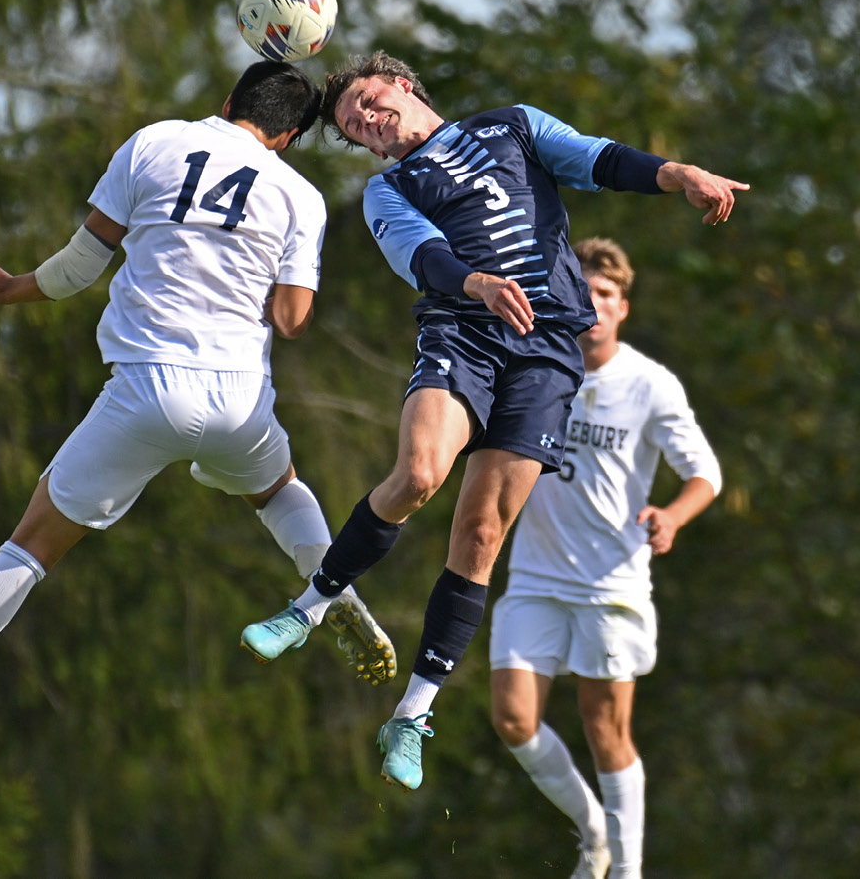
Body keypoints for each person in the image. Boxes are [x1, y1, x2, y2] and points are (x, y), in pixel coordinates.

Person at [0, 61, 396, 747]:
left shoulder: (154, 142)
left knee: (32, 544)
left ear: (227, 101)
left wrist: (11, 288)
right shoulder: (299, 196)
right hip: (239, 399)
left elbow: (79, 265)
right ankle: (335, 587)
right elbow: (291, 318)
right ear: (286, 138)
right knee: (277, 489)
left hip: (147, 388)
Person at [238, 51, 747, 793]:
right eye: (354, 127)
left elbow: (600, 159)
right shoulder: (390, 191)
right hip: (462, 333)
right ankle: (308, 608)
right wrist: (475, 283)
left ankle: (410, 715)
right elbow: (428, 258)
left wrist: (680, 175)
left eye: (372, 104)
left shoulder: (513, 127)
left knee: (479, 536)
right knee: (418, 475)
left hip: (546, 354)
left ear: (403, 87)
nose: (368, 124)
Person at [488, 237, 720, 879]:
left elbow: (705, 474)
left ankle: (628, 870)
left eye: (607, 295)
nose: (594, 304)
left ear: (622, 308)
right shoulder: (532, 367)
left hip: (611, 584)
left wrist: (672, 515)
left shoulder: (650, 385)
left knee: (603, 728)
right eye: (583, 291)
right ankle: (593, 830)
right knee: (512, 717)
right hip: (534, 577)